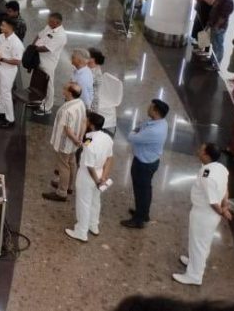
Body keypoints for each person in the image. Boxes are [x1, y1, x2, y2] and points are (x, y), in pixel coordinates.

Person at [172, 143, 231, 285]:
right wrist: (226, 205)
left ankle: (194, 276)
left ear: (207, 155)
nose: (198, 151)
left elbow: (213, 202)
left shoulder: (207, 176)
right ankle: (194, 263)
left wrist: (223, 211)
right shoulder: (221, 168)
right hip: (209, 215)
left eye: (201, 150)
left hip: (204, 214)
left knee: (199, 244)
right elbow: (225, 188)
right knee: (201, 242)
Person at [64, 112, 113, 242]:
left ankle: (81, 231)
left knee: (83, 203)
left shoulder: (91, 143)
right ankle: (93, 225)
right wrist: (103, 177)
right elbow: (109, 158)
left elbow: (89, 166)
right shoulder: (106, 138)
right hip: (100, 173)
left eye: (86, 121)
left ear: (91, 125)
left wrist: (97, 181)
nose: (84, 122)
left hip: (87, 175)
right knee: (96, 201)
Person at [122, 98, 170, 229]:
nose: (148, 108)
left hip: (143, 164)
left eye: (150, 107)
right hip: (149, 161)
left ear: (155, 111)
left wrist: (135, 130)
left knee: (141, 191)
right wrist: (138, 129)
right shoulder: (160, 122)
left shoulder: (154, 131)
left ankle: (138, 220)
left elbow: (131, 136)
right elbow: (140, 127)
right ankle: (143, 213)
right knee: (145, 189)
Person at [42, 83, 86, 203]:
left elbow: (67, 130)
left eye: (65, 89)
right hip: (74, 143)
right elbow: (83, 121)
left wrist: (76, 140)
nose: (63, 90)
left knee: (63, 166)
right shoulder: (80, 103)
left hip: (65, 143)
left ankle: (62, 192)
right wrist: (80, 138)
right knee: (72, 163)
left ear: (70, 93)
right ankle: (69, 187)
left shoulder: (67, 110)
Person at [32, 12, 67, 115]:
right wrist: (33, 46)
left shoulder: (61, 35)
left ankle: (47, 107)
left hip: (48, 63)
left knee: (48, 84)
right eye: (49, 20)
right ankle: (39, 99)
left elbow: (47, 48)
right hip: (38, 59)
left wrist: (33, 49)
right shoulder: (49, 26)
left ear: (57, 23)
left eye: (51, 21)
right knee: (38, 81)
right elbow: (38, 35)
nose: (48, 22)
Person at [0, 18, 23, 128]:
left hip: (8, 70)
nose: (1, 27)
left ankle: (10, 119)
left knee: (6, 94)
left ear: (10, 27)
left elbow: (17, 61)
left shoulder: (16, 43)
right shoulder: (1, 37)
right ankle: (2, 111)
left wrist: (2, 59)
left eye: (3, 25)